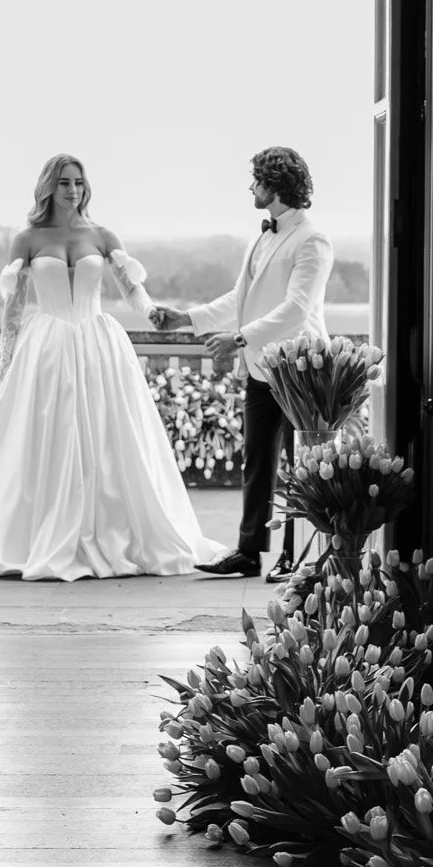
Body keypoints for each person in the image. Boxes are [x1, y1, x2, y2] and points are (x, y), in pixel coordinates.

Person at [0, 155, 223, 581]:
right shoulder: (27, 239)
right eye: (64, 182)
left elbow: (131, 289)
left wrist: (152, 311)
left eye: (79, 182)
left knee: (107, 436)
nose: (72, 190)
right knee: (50, 433)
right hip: (46, 346)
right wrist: (6, 364)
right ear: (49, 187)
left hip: (97, 342)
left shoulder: (102, 235)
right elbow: (12, 312)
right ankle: (37, 532)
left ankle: (109, 531)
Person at [150, 146, 334, 579]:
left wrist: (238, 338)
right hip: (260, 369)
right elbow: (241, 299)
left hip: (302, 370)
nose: (250, 187)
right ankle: (249, 553)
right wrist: (185, 318)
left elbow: (296, 308)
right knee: (258, 464)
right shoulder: (262, 235)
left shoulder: (313, 240)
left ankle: (298, 558)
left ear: (274, 185)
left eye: (256, 180)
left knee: (302, 469)